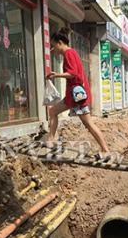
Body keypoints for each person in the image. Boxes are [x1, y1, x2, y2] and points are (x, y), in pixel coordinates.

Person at [46, 27, 111, 158]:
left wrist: (56, 75)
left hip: (78, 97)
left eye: (54, 46)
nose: (54, 50)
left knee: (88, 123)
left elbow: (73, 73)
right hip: (74, 96)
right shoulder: (71, 53)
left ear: (59, 43)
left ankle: (105, 150)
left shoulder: (69, 53)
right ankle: (50, 141)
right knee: (53, 111)